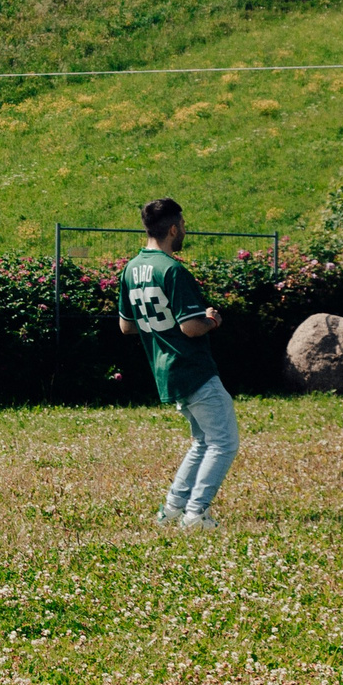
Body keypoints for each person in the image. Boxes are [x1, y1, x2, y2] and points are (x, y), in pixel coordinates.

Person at [120, 197, 236, 531]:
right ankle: (195, 514)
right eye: (183, 225)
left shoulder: (130, 268)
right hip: (192, 366)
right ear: (173, 229)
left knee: (203, 441)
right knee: (224, 442)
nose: (185, 230)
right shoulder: (172, 270)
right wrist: (212, 319)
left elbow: (126, 326)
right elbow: (190, 326)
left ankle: (173, 508)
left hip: (165, 369)